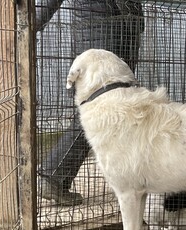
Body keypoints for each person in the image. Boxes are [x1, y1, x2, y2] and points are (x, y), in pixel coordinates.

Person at [36, 0, 144, 205]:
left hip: (119, 28)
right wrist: (30, 22)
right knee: (97, 112)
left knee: (116, 111)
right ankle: (52, 176)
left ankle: (128, 180)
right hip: (100, 31)